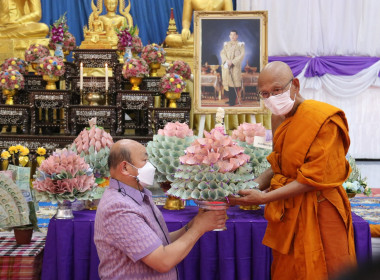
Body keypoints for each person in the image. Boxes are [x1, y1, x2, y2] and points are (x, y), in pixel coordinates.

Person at [229, 61, 357, 279]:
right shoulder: (278, 117)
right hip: (288, 210)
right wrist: (250, 186)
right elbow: (279, 166)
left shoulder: (323, 120)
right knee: (290, 269)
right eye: (265, 94)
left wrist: (263, 198)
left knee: (328, 269)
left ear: (295, 85)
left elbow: (311, 179)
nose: (272, 98)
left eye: (277, 90)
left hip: (321, 206)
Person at [94, 139, 227, 279]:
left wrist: (193, 225)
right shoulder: (118, 208)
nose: (150, 166)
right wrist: (198, 228)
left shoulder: (137, 195)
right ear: (125, 168)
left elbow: (156, 243)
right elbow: (162, 261)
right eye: (145, 160)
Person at [165, 0, 233, 48]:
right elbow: (186, 20)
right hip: (198, 36)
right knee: (170, 38)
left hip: (217, 36)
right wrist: (186, 28)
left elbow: (230, 19)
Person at [220, 30, 245, 106]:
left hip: (235, 67)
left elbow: (241, 55)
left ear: (237, 36)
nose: (232, 37)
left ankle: (233, 101)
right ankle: (230, 99)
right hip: (227, 66)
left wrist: (233, 62)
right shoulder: (226, 44)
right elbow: (222, 53)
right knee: (228, 84)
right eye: (231, 35)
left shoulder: (240, 45)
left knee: (233, 84)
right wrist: (226, 60)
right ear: (229, 36)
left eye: (234, 35)